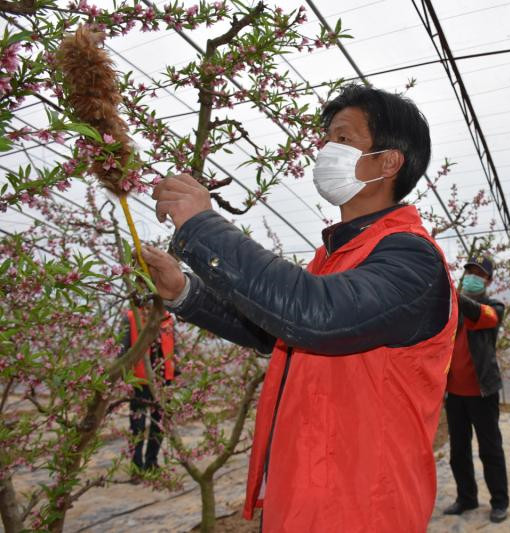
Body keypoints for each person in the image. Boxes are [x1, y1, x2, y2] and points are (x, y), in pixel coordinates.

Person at [140, 84, 457, 532]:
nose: (326, 150)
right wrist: (183, 292)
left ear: (388, 162)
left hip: (363, 507)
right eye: (327, 138)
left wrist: (201, 225)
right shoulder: (336, 255)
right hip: (307, 493)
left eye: (344, 139)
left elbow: (314, 315)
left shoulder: (411, 259)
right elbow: (277, 333)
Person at [443, 256, 509, 524]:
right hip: (455, 394)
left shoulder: (494, 307)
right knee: (458, 450)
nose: (472, 276)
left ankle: (499, 502)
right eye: (469, 271)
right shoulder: (451, 310)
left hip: (483, 392)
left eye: (479, 274)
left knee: (490, 449)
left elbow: (479, 315)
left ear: (488, 281)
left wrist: (450, 293)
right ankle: (466, 497)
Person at [121, 306, 176, 473]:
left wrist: (174, 371)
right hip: (139, 381)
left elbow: (173, 346)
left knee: (159, 424)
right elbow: (123, 349)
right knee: (137, 424)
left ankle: (151, 463)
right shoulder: (131, 317)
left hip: (163, 380)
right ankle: (137, 466)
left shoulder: (167, 318)